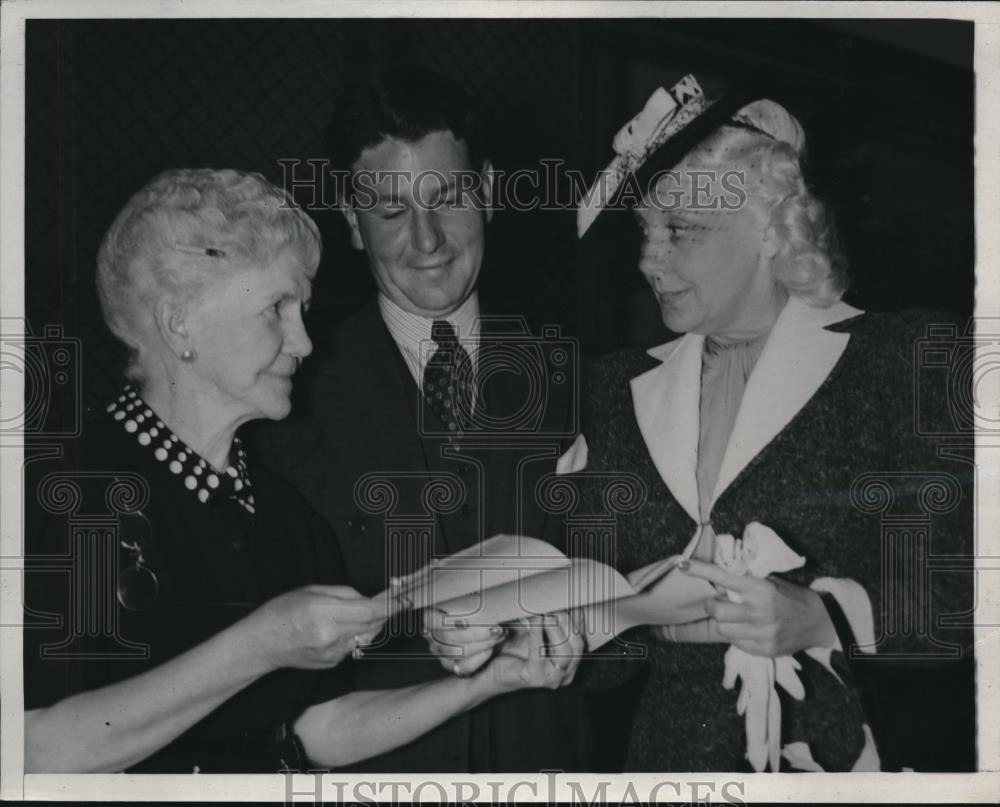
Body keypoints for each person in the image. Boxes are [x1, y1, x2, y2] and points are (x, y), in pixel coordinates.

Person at [22, 168, 578, 773]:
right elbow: (35, 747)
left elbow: (317, 728)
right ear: (179, 321)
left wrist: (490, 681)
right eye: (276, 309)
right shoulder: (64, 493)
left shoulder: (283, 515)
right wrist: (259, 644)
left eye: (303, 309)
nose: (304, 341)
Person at [572, 76, 974, 771]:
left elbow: (967, 591)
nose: (648, 258)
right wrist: (564, 632)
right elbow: (607, 654)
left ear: (767, 229)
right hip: (668, 763)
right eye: (645, 229)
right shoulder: (616, 387)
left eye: (681, 231)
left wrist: (823, 616)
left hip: (838, 758)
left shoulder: (901, 360)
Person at [251, 65, 589, 772]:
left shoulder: (576, 375)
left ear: (490, 191)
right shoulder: (286, 401)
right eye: (391, 212)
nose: (428, 240)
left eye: (447, 198)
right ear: (350, 222)